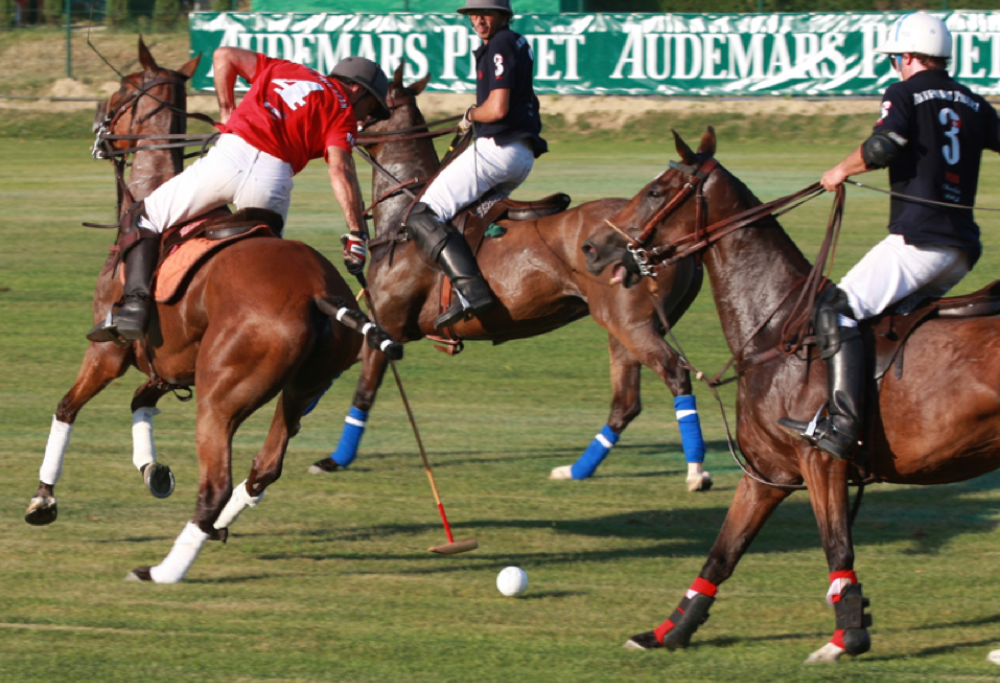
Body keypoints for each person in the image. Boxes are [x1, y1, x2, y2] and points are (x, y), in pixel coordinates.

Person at [779, 12, 1000, 460]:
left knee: (835, 307)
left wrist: (840, 169)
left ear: (908, 57)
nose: (895, 67)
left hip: (919, 242)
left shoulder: (904, 91)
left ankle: (841, 426)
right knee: (885, 323)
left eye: (896, 59)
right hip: (961, 251)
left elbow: (885, 145)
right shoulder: (973, 102)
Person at [88, 49, 390, 342]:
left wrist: (226, 109)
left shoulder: (287, 68)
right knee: (266, 267)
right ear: (355, 89)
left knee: (144, 217)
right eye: (371, 107)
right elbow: (341, 171)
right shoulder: (343, 114)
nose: (366, 116)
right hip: (272, 179)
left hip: (229, 160)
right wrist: (356, 232)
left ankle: (135, 308)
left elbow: (223, 55)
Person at [406, 0, 548, 329]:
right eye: (473, 13)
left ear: (502, 15)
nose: (478, 20)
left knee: (421, 213)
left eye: (486, 13)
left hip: (496, 150)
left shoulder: (498, 45)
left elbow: (496, 109)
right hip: (521, 156)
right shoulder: (516, 42)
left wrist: (471, 114)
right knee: (466, 220)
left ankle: (470, 291)